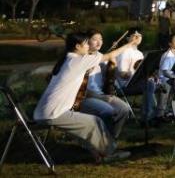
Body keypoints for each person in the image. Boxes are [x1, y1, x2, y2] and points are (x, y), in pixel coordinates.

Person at [34, 32, 140, 163]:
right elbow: (110, 55)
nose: (88, 46)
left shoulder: (68, 59)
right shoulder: (79, 60)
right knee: (93, 123)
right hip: (53, 113)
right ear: (77, 46)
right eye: (85, 44)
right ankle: (109, 153)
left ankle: (99, 152)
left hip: (46, 111)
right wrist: (130, 44)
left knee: (93, 122)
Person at [79, 30, 131, 140]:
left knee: (124, 109)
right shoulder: (81, 58)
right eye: (95, 39)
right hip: (84, 96)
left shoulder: (101, 56)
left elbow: (114, 74)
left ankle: (111, 138)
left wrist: (121, 72)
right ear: (86, 41)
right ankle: (102, 140)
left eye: (101, 39)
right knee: (108, 111)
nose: (99, 42)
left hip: (101, 94)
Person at [154, 33, 175, 121]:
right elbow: (165, 72)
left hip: (173, 79)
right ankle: (159, 115)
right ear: (170, 43)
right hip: (164, 80)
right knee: (164, 99)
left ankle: (169, 112)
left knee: (173, 97)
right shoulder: (167, 55)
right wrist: (174, 78)